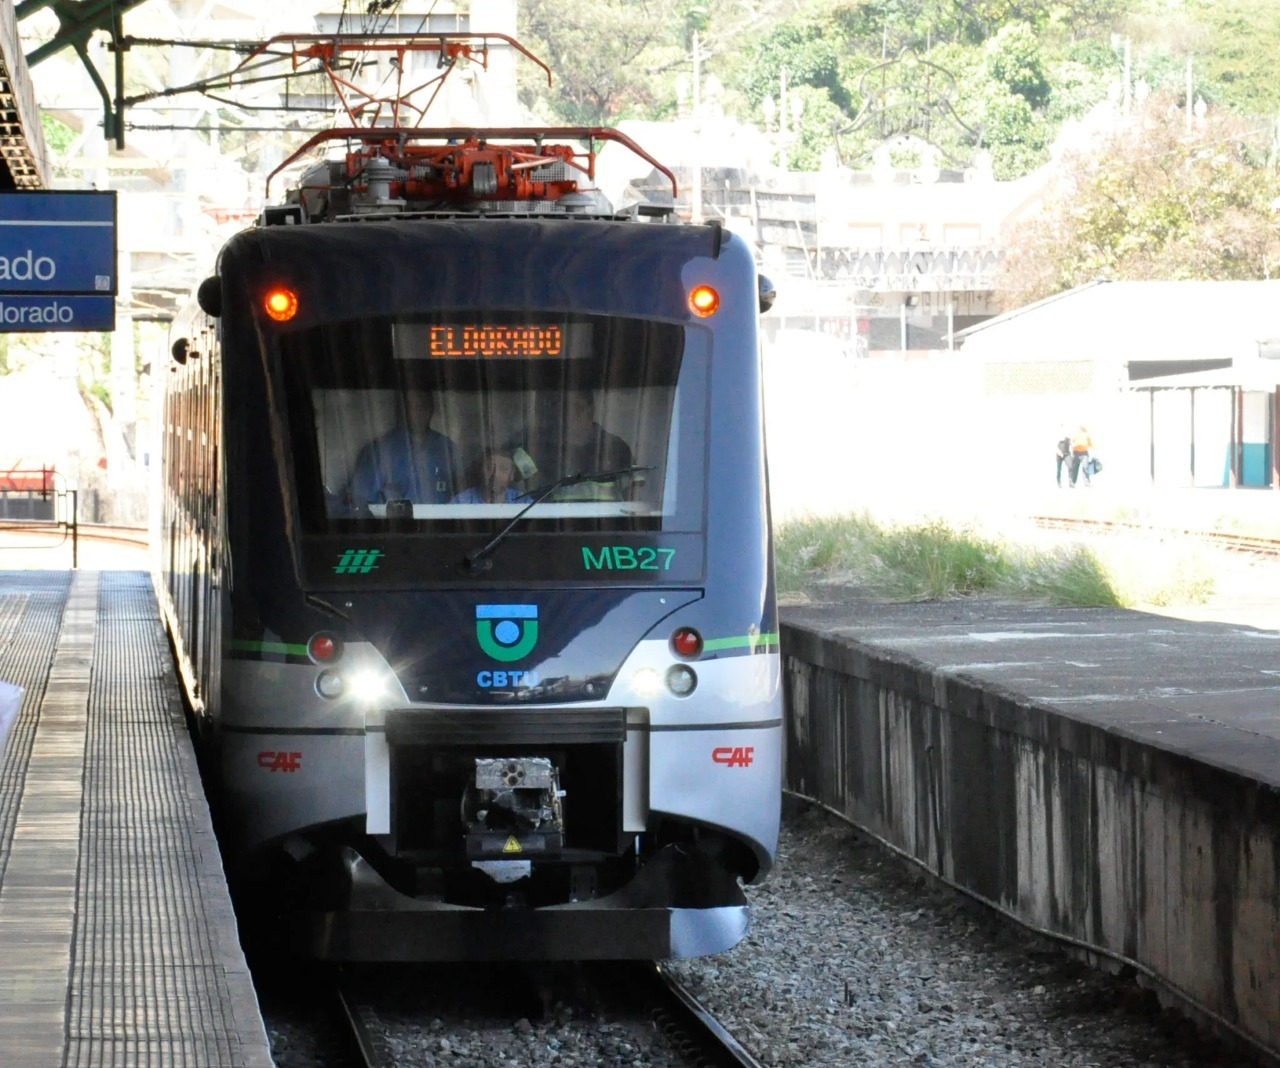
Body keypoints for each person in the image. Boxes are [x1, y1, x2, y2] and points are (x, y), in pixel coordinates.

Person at [343, 391, 457, 511]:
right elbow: (357, 500)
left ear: (432, 409)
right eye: (413, 407)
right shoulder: (380, 450)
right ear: (404, 410)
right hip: (395, 527)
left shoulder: (446, 447)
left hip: (442, 525)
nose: (419, 412)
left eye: (423, 406)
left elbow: (466, 494)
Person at [451, 444, 537, 504]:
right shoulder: (462, 502)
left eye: (504, 469)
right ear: (481, 470)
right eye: (489, 467)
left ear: (512, 475)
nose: (495, 475)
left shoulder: (522, 502)